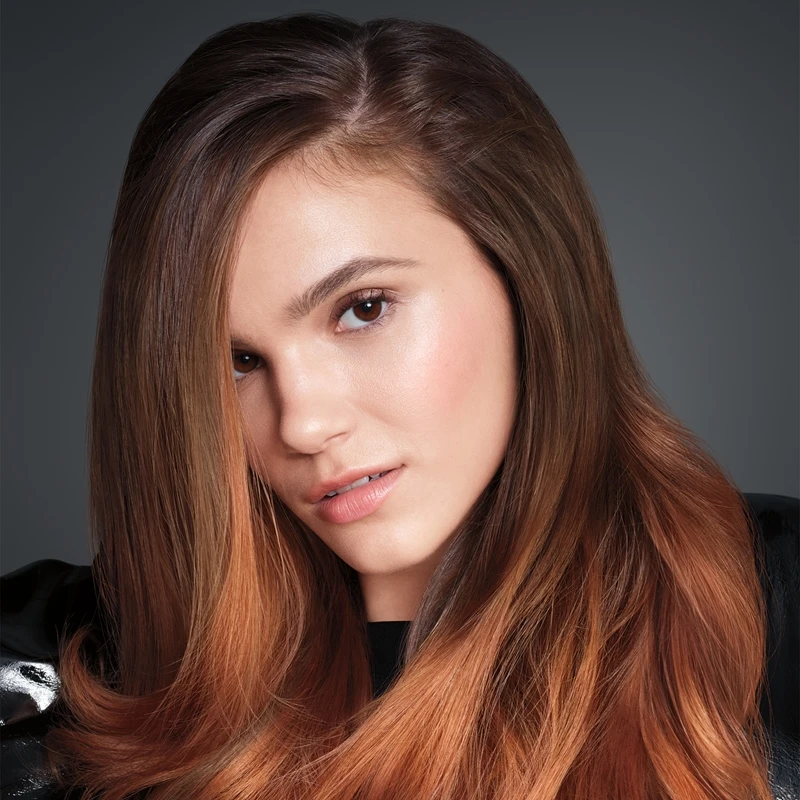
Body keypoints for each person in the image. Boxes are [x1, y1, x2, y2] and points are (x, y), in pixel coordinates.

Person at [1, 12, 797, 800]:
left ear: (525, 273)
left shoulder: (770, 612)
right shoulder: (75, 670)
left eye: (363, 309)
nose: (303, 425)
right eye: (238, 362)